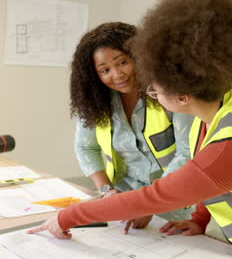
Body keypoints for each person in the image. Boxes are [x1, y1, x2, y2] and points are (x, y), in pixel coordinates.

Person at [28, 0, 232, 244]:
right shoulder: (209, 118)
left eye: (155, 88)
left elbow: (166, 192)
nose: (150, 89)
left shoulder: (224, 145)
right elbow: (211, 184)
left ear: (182, 96)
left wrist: (68, 217)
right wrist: (198, 220)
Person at [70, 21, 193, 230]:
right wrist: (107, 191)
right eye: (105, 70)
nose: (117, 75)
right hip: (124, 208)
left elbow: (187, 153)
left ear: (139, 56)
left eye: (122, 62)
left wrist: (147, 204)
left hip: (179, 208)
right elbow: (85, 148)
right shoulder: (95, 102)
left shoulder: (170, 93)